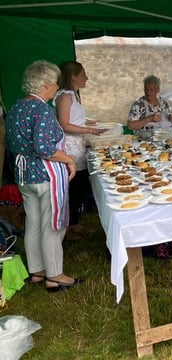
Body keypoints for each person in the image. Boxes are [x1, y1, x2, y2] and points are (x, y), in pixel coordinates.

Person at [6, 60, 82, 292]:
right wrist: (69, 159)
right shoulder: (42, 110)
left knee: (34, 222)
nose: (57, 88)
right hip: (44, 174)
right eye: (55, 84)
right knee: (52, 225)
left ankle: (37, 270)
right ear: (46, 84)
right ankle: (55, 275)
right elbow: (43, 147)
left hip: (24, 174)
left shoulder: (17, 106)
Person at [55, 61, 106, 239]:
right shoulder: (65, 96)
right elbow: (64, 124)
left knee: (80, 186)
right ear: (73, 77)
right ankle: (68, 227)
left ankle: (73, 223)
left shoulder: (72, 94)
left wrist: (90, 121)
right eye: (83, 74)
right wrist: (90, 130)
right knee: (76, 186)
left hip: (77, 145)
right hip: (70, 147)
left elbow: (74, 118)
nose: (87, 77)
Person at [127, 74, 172, 139]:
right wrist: (150, 118)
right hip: (144, 140)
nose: (148, 93)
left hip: (164, 137)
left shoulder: (164, 102)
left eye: (151, 90)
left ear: (158, 90)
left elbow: (171, 118)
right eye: (146, 89)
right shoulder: (138, 104)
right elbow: (131, 126)